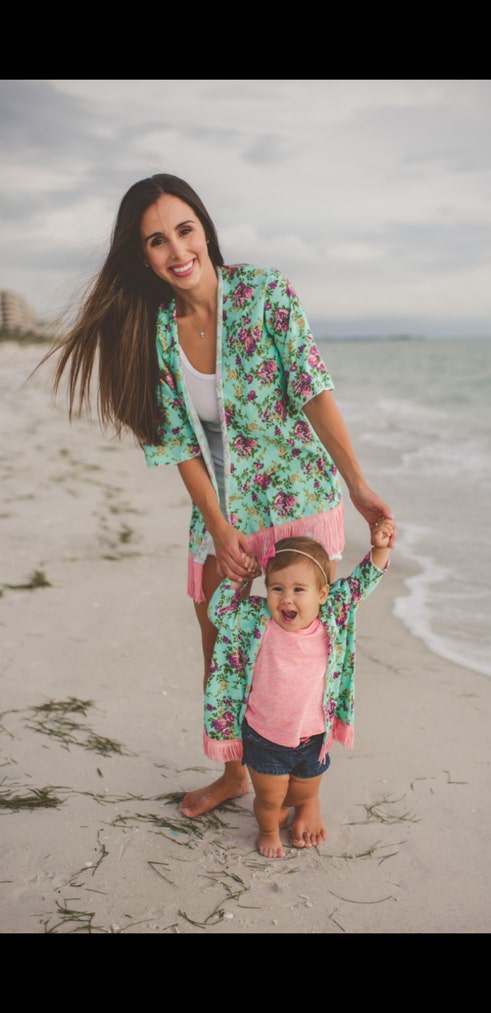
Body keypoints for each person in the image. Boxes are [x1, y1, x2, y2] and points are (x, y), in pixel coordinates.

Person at [39, 173, 396, 819]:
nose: (177, 249)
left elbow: (315, 391)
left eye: (184, 229)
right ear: (141, 254)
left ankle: (301, 785)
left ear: (204, 228)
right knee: (224, 650)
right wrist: (218, 524)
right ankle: (236, 772)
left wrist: (358, 485)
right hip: (222, 514)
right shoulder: (152, 330)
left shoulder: (264, 292)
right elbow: (174, 438)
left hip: (299, 500)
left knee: (305, 649)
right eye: (156, 240)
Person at [204, 520, 395, 858]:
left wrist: (380, 548)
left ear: (322, 594)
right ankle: (267, 831)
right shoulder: (255, 618)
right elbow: (218, 612)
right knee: (270, 800)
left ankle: (294, 809)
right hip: (264, 737)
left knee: (300, 795)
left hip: (313, 738)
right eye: (277, 588)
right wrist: (236, 579)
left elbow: (361, 583)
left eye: (298, 590)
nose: (286, 599)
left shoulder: (332, 615)